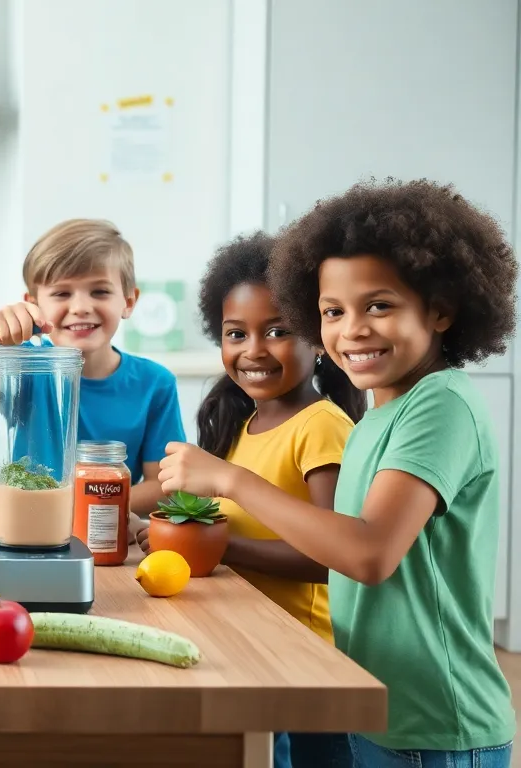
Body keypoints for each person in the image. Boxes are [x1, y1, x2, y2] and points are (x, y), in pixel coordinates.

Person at [159, 178, 516, 765]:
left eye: (378, 305)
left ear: (443, 310)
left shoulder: (441, 403)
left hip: (435, 726)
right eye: (332, 311)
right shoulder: (381, 411)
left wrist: (231, 483)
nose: (352, 328)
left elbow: (369, 555)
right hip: (377, 706)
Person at [135, 231, 365, 768]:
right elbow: (203, 503)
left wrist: (218, 549)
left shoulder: (322, 426)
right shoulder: (242, 424)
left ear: (318, 338)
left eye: (278, 331)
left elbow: (330, 560)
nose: (253, 350)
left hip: (308, 662)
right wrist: (140, 520)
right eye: (235, 333)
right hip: (257, 645)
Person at [0, 219, 185, 518]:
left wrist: (66, 503)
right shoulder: (24, 366)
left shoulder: (155, 383)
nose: (81, 306)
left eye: (99, 292)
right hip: (27, 527)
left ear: (128, 301)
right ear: (33, 304)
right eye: (61, 294)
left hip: (106, 533)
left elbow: (162, 485)